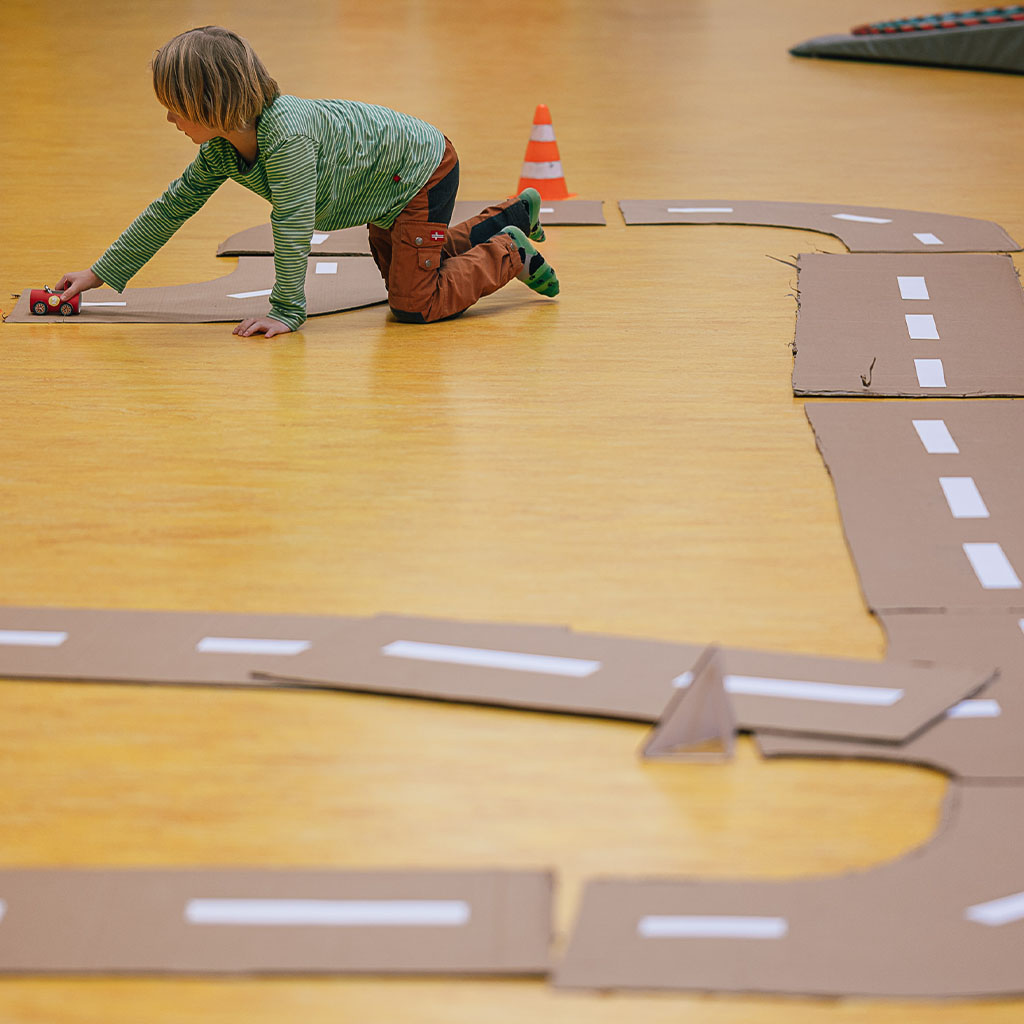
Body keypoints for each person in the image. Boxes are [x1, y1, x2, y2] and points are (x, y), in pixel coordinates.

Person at [56, 25, 558, 338]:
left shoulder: (286, 139)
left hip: (421, 173)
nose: (169, 119)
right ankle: (513, 215)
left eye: (175, 107)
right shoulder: (221, 150)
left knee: (414, 303)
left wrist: (286, 311)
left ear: (211, 104)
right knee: (412, 266)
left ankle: (510, 251)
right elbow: (170, 208)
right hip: (387, 187)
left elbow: (293, 225)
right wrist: (98, 274)